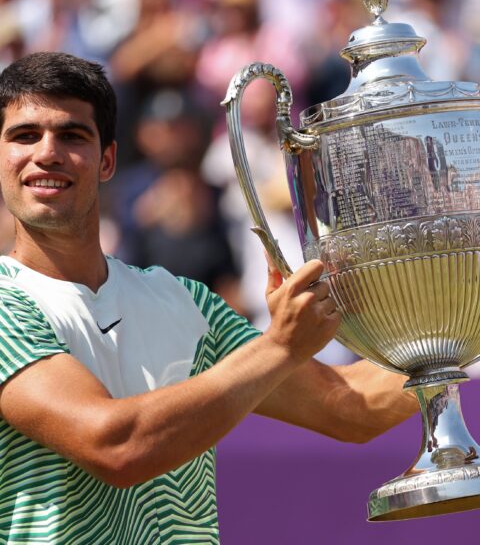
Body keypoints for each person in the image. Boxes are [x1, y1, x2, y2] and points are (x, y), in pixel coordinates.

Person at [0, 52, 417, 544]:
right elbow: (116, 446)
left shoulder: (186, 300)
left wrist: (456, 325)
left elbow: (354, 407)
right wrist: (279, 348)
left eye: (72, 135)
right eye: (25, 135)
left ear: (107, 160)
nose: (47, 152)